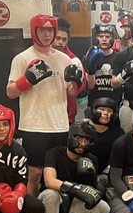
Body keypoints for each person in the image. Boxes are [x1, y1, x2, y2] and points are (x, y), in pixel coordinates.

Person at [7, 14, 83, 196]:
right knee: (34, 173)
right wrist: (27, 81)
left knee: (57, 173)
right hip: (34, 125)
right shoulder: (22, 58)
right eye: (43, 30)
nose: (47, 34)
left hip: (59, 124)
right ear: (35, 31)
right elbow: (10, 92)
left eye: (50, 30)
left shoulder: (65, 59)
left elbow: (70, 92)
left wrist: (76, 83)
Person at [39, 120, 110, 213]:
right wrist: (74, 187)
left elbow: (90, 193)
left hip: (71, 201)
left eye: (86, 140)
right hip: (50, 201)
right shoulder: (54, 153)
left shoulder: (91, 159)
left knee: (104, 209)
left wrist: (92, 180)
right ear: (70, 138)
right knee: (51, 195)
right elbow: (49, 181)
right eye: (79, 139)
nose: (82, 144)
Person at [52, 17, 87, 124]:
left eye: (64, 39)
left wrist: (75, 84)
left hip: (66, 115)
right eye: (57, 38)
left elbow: (81, 88)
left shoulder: (74, 61)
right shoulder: (40, 59)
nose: (60, 42)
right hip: (43, 114)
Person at [84, 24, 122, 109]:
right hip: (95, 103)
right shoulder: (89, 56)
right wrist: (90, 69)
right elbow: (90, 86)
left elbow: (119, 84)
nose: (104, 39)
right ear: (95, 38)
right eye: (100, 36)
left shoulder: (119, 57)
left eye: (107, 36)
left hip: (114, 103)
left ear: (112, 39)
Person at [88, 97, 125, 174]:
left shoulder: (118, 134)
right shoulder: (83, 130)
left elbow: (120, 159)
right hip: (84, 172)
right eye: (102, 109)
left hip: (108, 175)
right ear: (94, 111)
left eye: (109, 111)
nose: (106, 113)